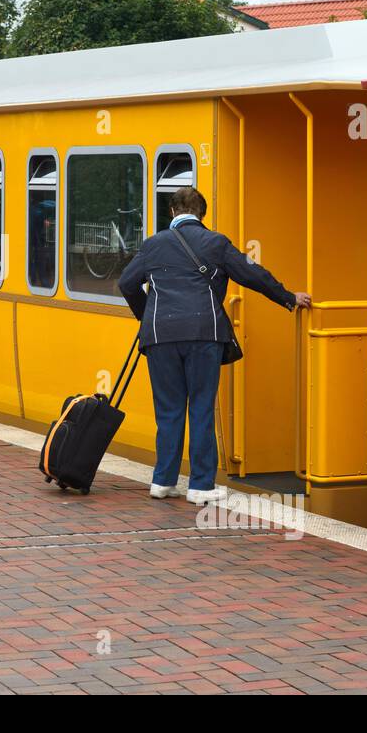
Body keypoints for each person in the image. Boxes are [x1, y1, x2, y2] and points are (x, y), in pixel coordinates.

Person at [118, 187, 311, 504]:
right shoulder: (215, 242)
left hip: (159, 337)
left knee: (168, 410)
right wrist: (289, 298)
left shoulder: (153, 244)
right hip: (203, 334)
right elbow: (253, 275)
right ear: (202, 214)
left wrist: (148, 316)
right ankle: (200, 486)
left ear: (172, 212)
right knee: (201, 407)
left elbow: (127, 283)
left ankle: (162, 482)